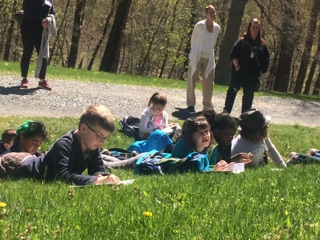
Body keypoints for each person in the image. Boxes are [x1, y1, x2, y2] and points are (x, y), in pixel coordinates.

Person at [0, 105, 120, 186]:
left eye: (105, 138)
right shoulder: (64, 144)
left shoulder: (93, 147)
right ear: (83, 128)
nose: (102, 142)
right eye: (99, 136)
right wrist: (97, 180)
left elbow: (97, 169)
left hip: (27, 159)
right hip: (17, 165)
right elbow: (64, 176)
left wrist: (103, 177)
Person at [223, 18, 270, 114]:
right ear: (249, 27)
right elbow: (233, 54)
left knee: (248, 97)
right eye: (253, 27)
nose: (255, 29)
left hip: (252, 76)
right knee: (232, 92)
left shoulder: (262, 44)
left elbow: (266, 59)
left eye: (257, 27)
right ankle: (226, 112)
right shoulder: (242, 41)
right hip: (239, 73)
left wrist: (261, 70)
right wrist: (237, 67)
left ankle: (245, 117)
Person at [186, 4, 221, 113]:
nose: (213, 14)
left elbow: (214, 42)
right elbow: (193, 40)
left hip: (209, 57)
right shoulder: (199, 26)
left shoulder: (217, 28)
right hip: (197, 55)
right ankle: (191, 104)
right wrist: (193, 54)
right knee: (192, 78)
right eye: (210, 12)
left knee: (209, 81)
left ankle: (207, 105)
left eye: (214, 12)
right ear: (206, 14)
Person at [20, 0, 56, 90]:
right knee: (27, 53)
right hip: (28, 28)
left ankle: (42, 80)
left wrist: (48, 21)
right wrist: (42, 21)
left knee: (44, 54)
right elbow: (28, 12)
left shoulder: (49, 0)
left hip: (42, 31)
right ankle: (24, 79)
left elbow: (52, 13)